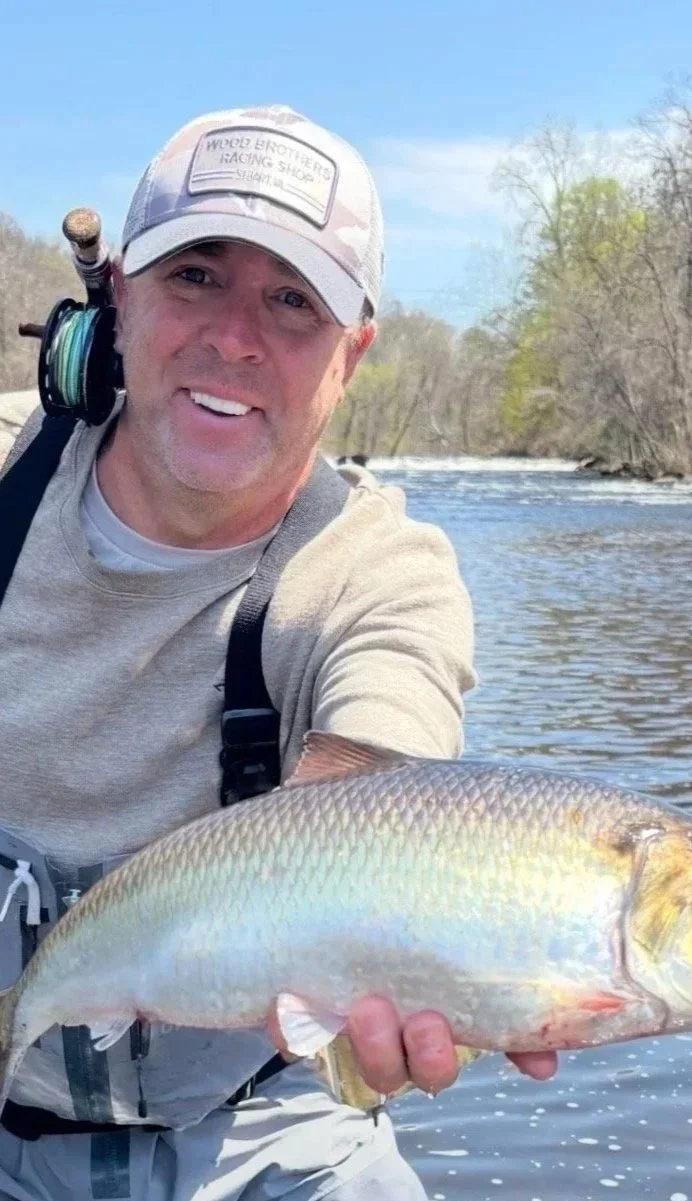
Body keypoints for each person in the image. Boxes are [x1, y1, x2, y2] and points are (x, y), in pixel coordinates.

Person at [0, 105, 556, 1200]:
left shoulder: (380, 575)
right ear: (119, 293)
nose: (236, 337)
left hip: (269, 1128)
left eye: (293, 301)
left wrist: (412, 954)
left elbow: (389, 785)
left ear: (353, 353)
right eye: (196, 275)